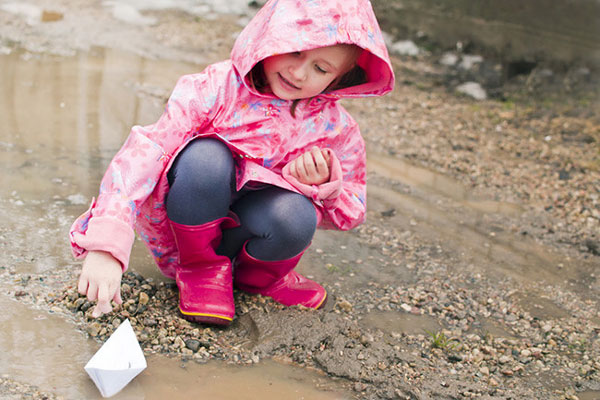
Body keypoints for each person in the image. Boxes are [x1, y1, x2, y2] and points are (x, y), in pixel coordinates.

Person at [71, 0, 394, 326]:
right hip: (190, 236)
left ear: (340, 80)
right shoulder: (215, 89)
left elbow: (352, 210)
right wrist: (107, 245)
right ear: (271, 32)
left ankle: (260, 280)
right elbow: (146, 153)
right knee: (205, 158)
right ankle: (202, 271)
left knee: (297, 213)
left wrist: (325, 187)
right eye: (294, 50)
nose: (299, 72)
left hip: (253, 232)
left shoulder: (335, 129)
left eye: (321, 69)